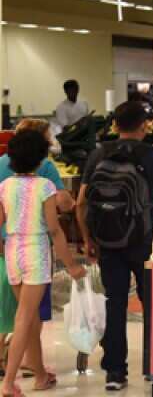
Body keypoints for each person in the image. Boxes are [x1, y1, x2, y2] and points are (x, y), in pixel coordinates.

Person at [78, 100, 153, 392]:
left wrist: (89, 240)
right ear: (144, 125)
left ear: (114, 125)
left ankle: (115, 372)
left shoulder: (99, 153)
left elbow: (81, 202)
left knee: (116, 303)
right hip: (145, 240)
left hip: (108, 241)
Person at [0, 131, 86, 397]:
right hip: (36, 253)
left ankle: (40, 376)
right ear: (40, 158)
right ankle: (7, 384)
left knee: (32, 319)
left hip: (12, 251)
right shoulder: (45, 187)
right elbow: (55, 230)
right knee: (24, 318)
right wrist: (71, 265)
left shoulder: (4, 187)